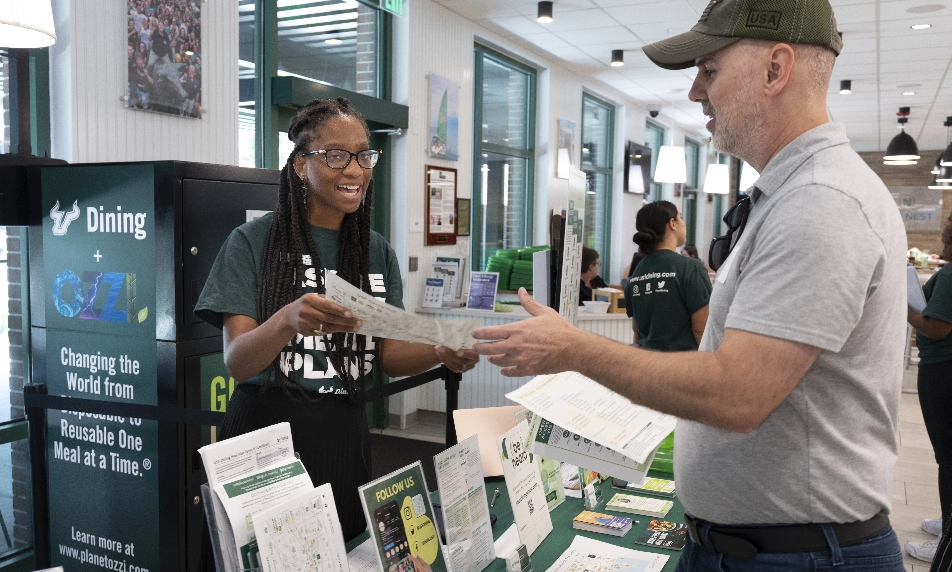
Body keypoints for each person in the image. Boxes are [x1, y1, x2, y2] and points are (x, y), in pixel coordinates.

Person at [471, 0, 908, 570]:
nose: (697, 93)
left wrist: (575, 349)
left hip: (797, 555)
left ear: (777, 70)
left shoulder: (821, 204)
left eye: (710, 72)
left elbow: (737, 392)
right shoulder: (795, 196)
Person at [195, 97, 479, 546]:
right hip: (266, 436)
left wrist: (442, 350)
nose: (354, 169)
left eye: (364, 155)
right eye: (335, 155)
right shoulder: (252, 242)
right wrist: (287, 319)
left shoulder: (375, 251)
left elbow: (390, 355)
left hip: (345, 432)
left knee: (343, 550)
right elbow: (237, 362)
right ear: (298, 165)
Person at [906, 217, 952, 563]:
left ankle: (948, 543)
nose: (945, 222)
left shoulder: (950, 275)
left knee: (947, 456)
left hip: (941, 368)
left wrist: (903, 306)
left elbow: (937, 328)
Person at [626, 200, 711, 350]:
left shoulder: (637, 272)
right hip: (683, 367)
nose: (684, 223)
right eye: (681, 217)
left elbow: (636, 331)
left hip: (647, 364)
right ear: (672, 223)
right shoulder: (691, 268)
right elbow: (702, 329)